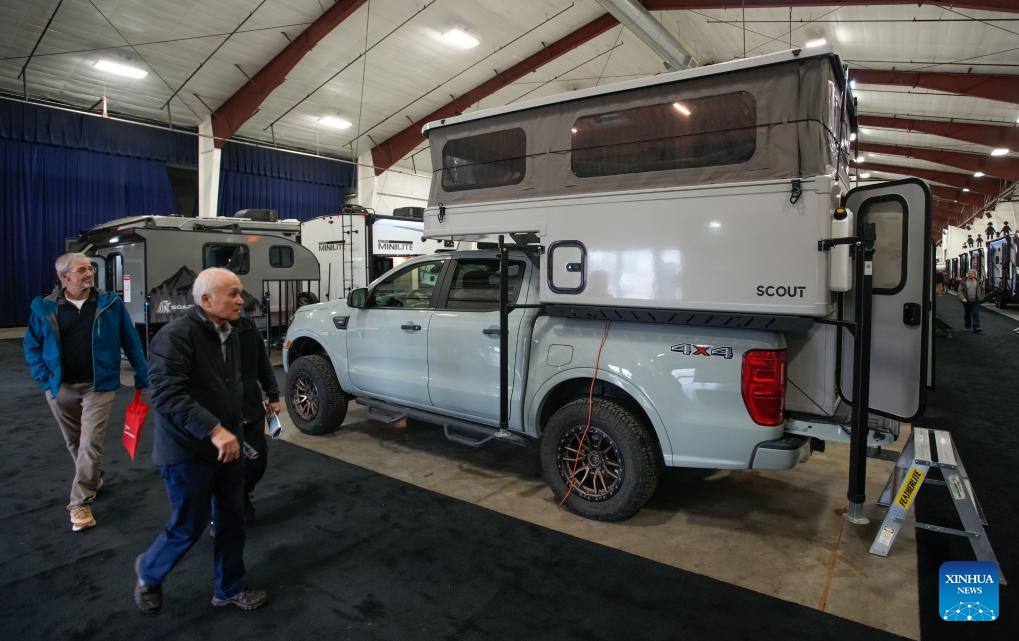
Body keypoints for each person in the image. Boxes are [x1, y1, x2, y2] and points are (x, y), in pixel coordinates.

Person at [133, 268, 267, 613]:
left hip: (228, 447)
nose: (241, 300)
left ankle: (229, 588)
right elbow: (166, 394)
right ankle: (149, 571)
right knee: (188, 526)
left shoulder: (232, 333)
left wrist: (237, 426)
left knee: (231, 521)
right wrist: (214, 430)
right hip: (187, 451)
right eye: (233, 294)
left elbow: (231, 385)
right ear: (206, 300)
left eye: (240, 293)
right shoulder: (174, 336)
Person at [23, 252, 149, 532]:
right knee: (75, 442)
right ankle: (94, 476)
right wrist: (44, 379)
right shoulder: (45, 307)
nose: (89, 273)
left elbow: (130, 339)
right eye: (81, 270)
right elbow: (32, 346)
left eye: (90, 268)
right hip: (60, 387)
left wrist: (142, 373)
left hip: (98, 386)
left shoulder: (110, 303)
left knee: (91, 442)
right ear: (64, 276)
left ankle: (80, 503)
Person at [958, 269, 984, 334]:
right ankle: (967, 326)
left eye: (972, 273)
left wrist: (981, 297)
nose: (970, 274)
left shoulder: (979, 282)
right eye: (969, 273)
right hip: (966, 301)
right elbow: (960, 291)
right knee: (967, 314)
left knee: (975, 313)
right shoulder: (963, 282)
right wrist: (962, 298)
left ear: (975, 275)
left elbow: (982, 290)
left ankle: (976, 327)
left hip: (975, 300)